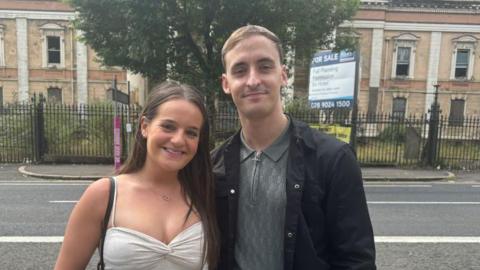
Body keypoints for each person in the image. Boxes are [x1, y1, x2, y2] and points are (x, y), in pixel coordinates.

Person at [211, 25, 376, 270]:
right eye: (240, 70)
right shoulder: (214, 164)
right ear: (226, 83)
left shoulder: (333, 159)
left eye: (265, 67)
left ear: (283, 75)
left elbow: (356, 260)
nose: (253, 80)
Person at [55, 81, 219, 270]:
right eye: (168, 127)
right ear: (144, 127)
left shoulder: (206, 194)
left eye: (191, 133)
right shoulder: (104, 194)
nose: (178, 140)